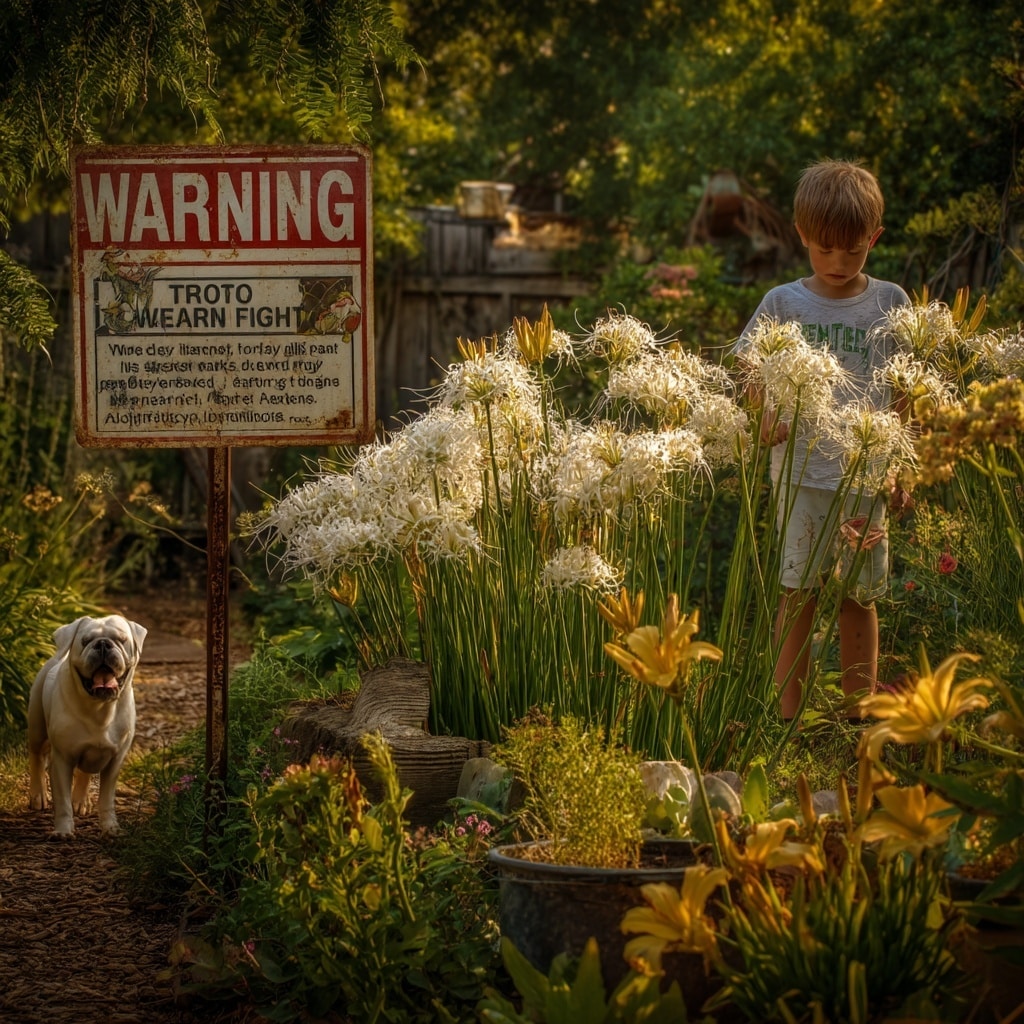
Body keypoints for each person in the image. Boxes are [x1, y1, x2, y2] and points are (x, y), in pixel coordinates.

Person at [734, 159, 911, 721]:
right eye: (825, 248)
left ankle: (859, 716)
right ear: (802, 234)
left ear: (874, 239)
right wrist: (762, 416)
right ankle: (791, 720)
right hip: (801, 479)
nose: (838, 262)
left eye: (853, 250)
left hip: (866, 479)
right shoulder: (782, 303)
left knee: (859, 599)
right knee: (799, 595)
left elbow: (906, 391)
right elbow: (748, 370)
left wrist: (904, 466)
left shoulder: (892, 304)